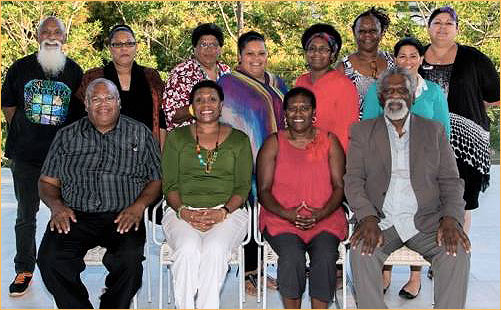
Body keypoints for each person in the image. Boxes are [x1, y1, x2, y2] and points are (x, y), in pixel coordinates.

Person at [345, 67, 471, 309]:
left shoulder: (433, 131)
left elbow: (451, 181)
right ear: (381, 98)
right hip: (381, 222)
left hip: (427, 222)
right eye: (389, 91)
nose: (395, 96)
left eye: (402, 90)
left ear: (412, 97)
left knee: (456, 253)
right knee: (361, 253)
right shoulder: (362, 131)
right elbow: (353, 180)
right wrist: (367, 217)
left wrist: (450, 219)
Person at [37, 78, 162, 309]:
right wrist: (57, 206)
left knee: (130, 262)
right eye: (96, 99)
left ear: (119, 102)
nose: (102, 104)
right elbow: (47, 182)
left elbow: (156, 179)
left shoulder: (140, 133)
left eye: (108, 98)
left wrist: (138, 207)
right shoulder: (67, 136)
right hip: (75, 215)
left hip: (123, 214)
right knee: (50, 259)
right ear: (86, 104)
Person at [1, 16, 85, 297]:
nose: (51, 36)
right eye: (45, 32)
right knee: (26, 215)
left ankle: (64, 268)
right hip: (25, 157)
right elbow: (9, 106)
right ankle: (24, 269)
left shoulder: (75, 72)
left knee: (65, 213)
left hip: (63, 160)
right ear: (38, 37)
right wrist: (25, 136)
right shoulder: (20, 68)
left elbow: (80, 117)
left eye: (57, 32)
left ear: (64, 38)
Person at [363, 37, 451, 299]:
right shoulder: (378, 89)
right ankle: (385, 272)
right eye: (403, 56)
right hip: (386, 167)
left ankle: (415, 278)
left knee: (419, 215)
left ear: (422, 60)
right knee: (388, 215)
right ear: (395, 60)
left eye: (414, 56)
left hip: (424, 171)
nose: (409, 61)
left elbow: (443, 132)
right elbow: (368, 126)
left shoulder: (433, 92)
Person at [162, 80, 252, 309]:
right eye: (199, 100)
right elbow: (169, 185)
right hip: (181, 211)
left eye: (212, 99)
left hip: (229, 213)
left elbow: (242, 187)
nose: (206, 104)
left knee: (215, 250)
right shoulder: (176, 139)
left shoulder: (239, 139)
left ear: (221, 105)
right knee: (187, 250)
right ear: (191, 106)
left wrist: (222, 212)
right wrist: (184, 212)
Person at [257, 87, 348, 308]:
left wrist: (320, 214)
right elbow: (264, 190)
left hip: (325, 218)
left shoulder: (329, 141)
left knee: (326, 257)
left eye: (304, 108)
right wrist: (287, 214)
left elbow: (339, 186)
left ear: (313, 112)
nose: (298, 113)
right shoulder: (273, 143)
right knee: (291, 257)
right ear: (284, 114)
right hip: (281, 219)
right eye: (292, 109)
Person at [218, 30, 288, 295]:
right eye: (250, 53)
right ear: (239, 56)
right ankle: (247, 272)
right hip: (240, 161)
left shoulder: (278, 82)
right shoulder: (227, 84)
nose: (256, 59)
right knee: (246, 212)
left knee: (265, 213)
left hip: (275, 159)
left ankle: (259, 269)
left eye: (261, 53)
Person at [419, 6, 500, 235]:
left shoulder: (474, 58)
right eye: (437, 22)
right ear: (428, 28)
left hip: (467, 143)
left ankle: (456, 256)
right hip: (426, 142)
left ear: (457, 29)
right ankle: (433, 257)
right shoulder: (416, 57)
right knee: (428, 201)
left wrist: (471, 107)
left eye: (448, 23)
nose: (442, 27)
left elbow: (495, 95)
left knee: (462, 203)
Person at [76, 24, 166, 147]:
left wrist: (159, 155)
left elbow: (161, 118)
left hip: (144, 151)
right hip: (102, 151)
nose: (124, 48)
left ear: (136, 46)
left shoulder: (151, 76)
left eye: (129, 43)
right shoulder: (93, 77)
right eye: (118, 44)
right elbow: (80, 117)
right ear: (110, 48)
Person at [296, 23, 359, 151]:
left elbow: (346, 135)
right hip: (300, 154)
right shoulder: (301, 82)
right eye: (311, 48)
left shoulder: (344, 86)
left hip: (330, 159)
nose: (316, 53)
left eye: (324, 49)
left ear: (333, 55)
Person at [163, 23, 231, 132]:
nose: (209, 49)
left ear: (220, 49)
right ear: (195, 48)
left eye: (213, 45)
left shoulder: (227, 72)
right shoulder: (181, 73)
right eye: (204, 45)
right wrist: (202, 107)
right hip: (189, 140)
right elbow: (171, 115)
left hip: (223, 137)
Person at [336, 7, 395, 113]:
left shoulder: (394, 62)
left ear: (382, 32)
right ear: (354, 33)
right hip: (356, 128)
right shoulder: (343, 68)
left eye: (373, 31)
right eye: (362, 31)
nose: (367, 35)